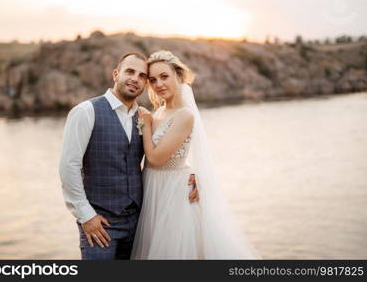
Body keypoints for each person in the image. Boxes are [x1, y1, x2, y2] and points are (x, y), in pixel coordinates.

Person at [59, 52, 199, 260]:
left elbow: (172, 151)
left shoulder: (144, 117)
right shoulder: (86, 111)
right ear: (116, 74)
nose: (135, 78)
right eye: (130, 71)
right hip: (100, 224)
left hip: (139, 222)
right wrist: (86, 216)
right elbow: (69, 167)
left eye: (143, 76)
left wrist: (192, 175)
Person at [131, 51, 261, 259]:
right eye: (153, 80)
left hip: (173, 192)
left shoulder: (184, 115)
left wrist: (145, 125)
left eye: (164, 76)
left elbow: (155, 158)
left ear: (178, 77)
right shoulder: (158, 112)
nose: (158, 84)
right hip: (152, 187)